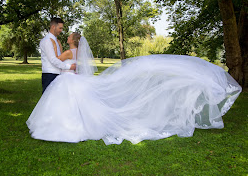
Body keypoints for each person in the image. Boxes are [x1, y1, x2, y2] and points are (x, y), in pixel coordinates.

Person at [27, 35, 242, 145]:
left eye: (67, 37)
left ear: (71, 41)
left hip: (67, 79)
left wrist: (65, 65)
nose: (65, 37)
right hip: (74, 78)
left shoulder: (67, 51)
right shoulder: (77, 51)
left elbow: (54, 61)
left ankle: (67, 126)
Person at [40, 18, 76, 93]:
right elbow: (53, 59)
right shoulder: (47, 41)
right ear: (53, 27)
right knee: (49, 100)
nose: (61, 30)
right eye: (60, 28)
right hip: (50, 74)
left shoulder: (56, 41)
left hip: (59, 74)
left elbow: (60, 57)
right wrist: (69, 67)